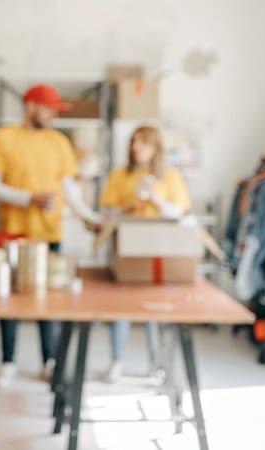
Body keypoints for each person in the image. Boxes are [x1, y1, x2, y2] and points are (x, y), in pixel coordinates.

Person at [0, 83, 101, 388]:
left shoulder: (59, 142)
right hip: (12, 234)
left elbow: (68, 189)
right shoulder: (3, 137)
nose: (51, 116)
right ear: (31, 106)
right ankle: (7, 362)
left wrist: (89, 218)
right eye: (48, 109)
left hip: (49, 234)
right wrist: (28, 199)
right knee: (8, 301)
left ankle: (49, 361)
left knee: (47, 298)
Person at [99, 125, 191, 381]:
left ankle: (155, 364)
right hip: (125, 250)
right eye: (133, 143)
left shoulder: (170, 177)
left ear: (155, 147)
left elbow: (180, 212)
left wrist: (156, 200)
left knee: (153, 309)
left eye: (142, 143)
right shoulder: (119, 175)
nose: (136, 148)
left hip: (156, 252)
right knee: (121, 308)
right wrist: (125, 208)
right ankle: (117, 362)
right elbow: (107, 211)